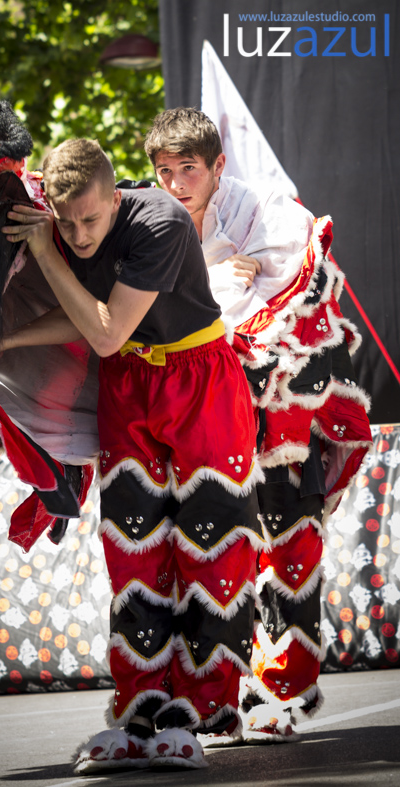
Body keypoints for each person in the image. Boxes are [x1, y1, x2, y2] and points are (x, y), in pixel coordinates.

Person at [1, 138, 266, 771]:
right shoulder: (65, 230)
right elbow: (87, 315)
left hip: (200, 381)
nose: (78, 235)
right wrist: (0, 341)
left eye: (90, 219)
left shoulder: (160, 220)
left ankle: (197, 717)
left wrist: (46, 251)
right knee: (133, 551)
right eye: (65, 223)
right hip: (127, 383)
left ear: (115, 198)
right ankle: (140, 711)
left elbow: (105, 328)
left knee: (209, 551)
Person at [144, 108, 372, 744]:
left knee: (290, 543)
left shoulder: (267, 212)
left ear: (219, 165)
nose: (176, 183)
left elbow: (284, 301)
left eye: (188, 168)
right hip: (208, 415)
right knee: (213, 550)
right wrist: (212, 285)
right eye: (163, 171)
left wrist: (210, 303)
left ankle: (283, 693)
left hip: (283, 412)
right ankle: (215, 695)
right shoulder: (153, 227)